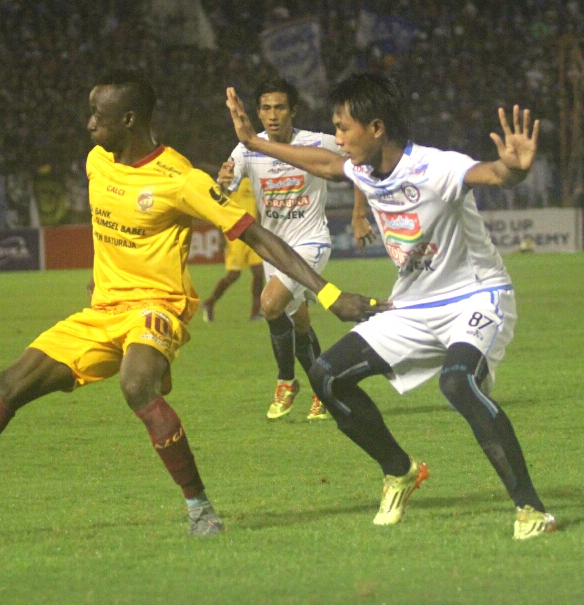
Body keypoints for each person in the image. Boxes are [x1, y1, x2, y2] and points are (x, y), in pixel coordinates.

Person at [0, 70, 383, 536]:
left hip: (158, 306)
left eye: (98, 115)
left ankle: (199, 508)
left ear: (129, 119)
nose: (89, 124)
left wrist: (332, 294)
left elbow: (260, 239)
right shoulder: (97, 163)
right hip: (102, 312)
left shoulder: (181, 180)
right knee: (5, 384)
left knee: (135, 385)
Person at [226, 72, 557, 539]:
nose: (337, 138)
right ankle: (400, 470)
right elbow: (321, 163)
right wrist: (252, 144)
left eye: (343, 128)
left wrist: (515, 169)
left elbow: (491, 173)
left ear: (376, 128)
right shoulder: (362, 168)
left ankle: (530, 508)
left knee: (458, 382)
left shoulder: (435, 167)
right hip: (413, 306)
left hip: (475, 296)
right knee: (325, 376)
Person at [220, 78, 343, 422]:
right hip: (275, 250)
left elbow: (360, 159)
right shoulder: (247, 148)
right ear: (257, 112)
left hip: (311, 242)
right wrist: (222, 180)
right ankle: (324, 390)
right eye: (265, 108)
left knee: (269, 304)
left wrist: (361, 212)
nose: (272, 116)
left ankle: (286, 381)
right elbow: (226, 186)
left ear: (293, 111)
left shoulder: (318, 143)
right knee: (299, 324)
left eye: (279, 108)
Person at [201, 177, 265, 323]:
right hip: (235, 233)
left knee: (259, 273)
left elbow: (258, 208)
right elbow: (219, 208)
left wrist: (261, 229)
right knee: (234, 274)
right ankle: (210, 303)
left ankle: (255, 313)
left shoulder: (254, 180)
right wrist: (220, 236)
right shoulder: (230, 181)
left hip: (253, 232)